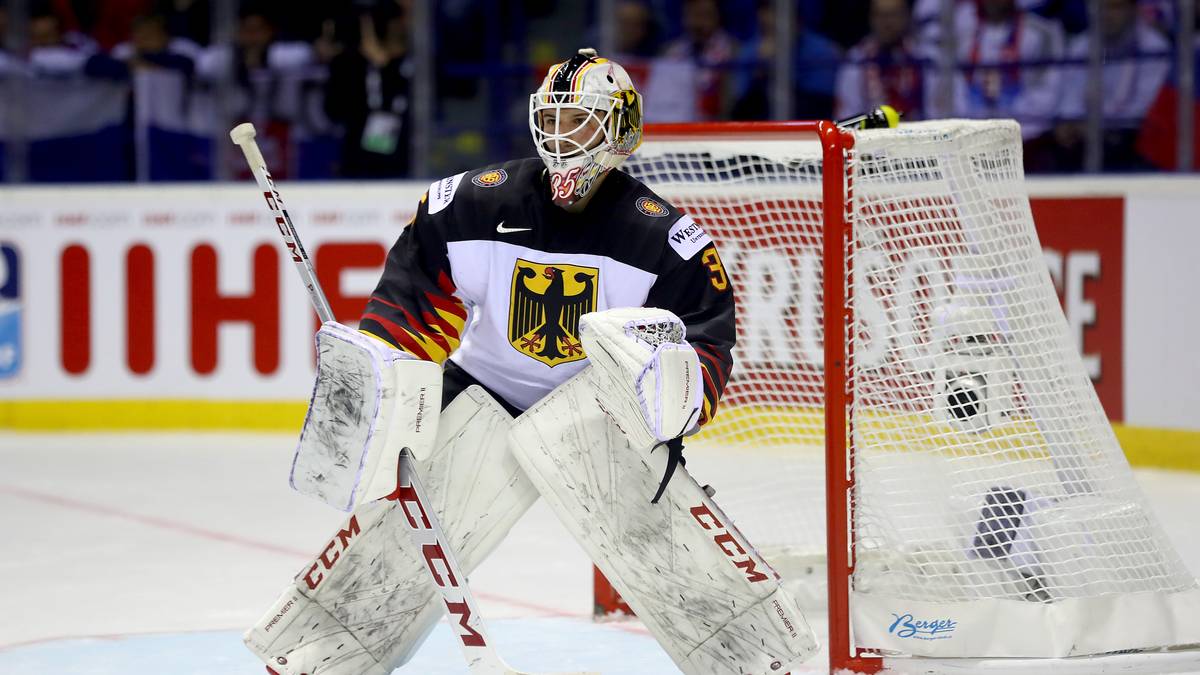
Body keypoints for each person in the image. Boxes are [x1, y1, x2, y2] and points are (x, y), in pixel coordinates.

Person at [243, 49, 796, 675]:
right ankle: (319, 655)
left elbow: (705, 343)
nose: (563, 139)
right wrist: (388, 383)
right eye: (553, 121)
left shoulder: (665, 239)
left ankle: (754, 659)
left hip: (598, 415)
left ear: (621, 131)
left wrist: (670, 401)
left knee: (663, 545)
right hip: (487, 394)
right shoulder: (471, 203)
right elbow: (410, 298)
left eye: (581, 123)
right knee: (398, 544)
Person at [836, 0, 932, 121]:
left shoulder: (923, 57)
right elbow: (847, 116)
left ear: (907, 17)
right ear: (871, 18)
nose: (887, 23)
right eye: (880, 15)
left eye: (893, 15)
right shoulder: (857, 59)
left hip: (921, 134)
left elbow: (937, 112)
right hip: (871, 135)